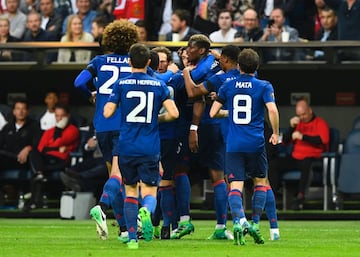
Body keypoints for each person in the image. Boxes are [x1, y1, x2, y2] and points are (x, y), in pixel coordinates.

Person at [103, 43, 179, 249]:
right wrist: (156, 118)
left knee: (129, 191)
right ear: (148, 62)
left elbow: (107, 113)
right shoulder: (158, 85)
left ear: (129, 62)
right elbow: (174, 114)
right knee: (150, 191)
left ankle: (133, 240)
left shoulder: (121, 84)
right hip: (150, 146)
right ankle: (146, 210)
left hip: (126, 145)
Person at [74, 19, 138, 241]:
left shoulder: (99, 61)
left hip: (102, 125)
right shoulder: (134, 62)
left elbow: (78, 83)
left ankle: (122, 229)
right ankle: (101, 206)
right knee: (121, 177)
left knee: (115, 175)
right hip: (125, 124)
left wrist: (91, 94)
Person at [209, 48, 280, 245]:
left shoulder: (228, 85)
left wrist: (229, 112)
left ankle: (240, 220)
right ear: (256, 67)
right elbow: (272, 110)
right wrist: (275, 133)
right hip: (256, 143)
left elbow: (214, 113)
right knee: (260, 182)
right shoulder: (264, 85)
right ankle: (255, 223)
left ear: (238, 66)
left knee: (236, 185)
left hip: (234, 144)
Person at [183, 44, 241, 240]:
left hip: (210, 126)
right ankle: (225, 225)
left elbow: (193, 93)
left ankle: (175, 223)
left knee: (176, 173)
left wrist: (185, 72)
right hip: (234, 131)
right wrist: (218, 56)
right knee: (225, 179)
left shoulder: (217, 78)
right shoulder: (250, 74)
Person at [268, 97, 330, 210]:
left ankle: (300, 196)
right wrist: (291, 128)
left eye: (304, 114)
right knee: (274, 164)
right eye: (299, 115)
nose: (302, 117)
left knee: (307, 163)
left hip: (313, 158)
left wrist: (303, 137)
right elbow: (284, 142)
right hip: (296, 157)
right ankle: (274, 196)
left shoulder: (320, 123)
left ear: (310, 111)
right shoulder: (298, 123)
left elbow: (323, 140)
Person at [23, 103, 80, 211]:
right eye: (57, 116)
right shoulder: (50, 131)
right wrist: (54, 148)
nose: (59, 119)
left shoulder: (73, 130)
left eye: (62, 116)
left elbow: (59, 142)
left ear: (67, 116)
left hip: (61, 161)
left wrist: (50, 147)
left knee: (36, 171)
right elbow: (41, 148)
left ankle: (33, 202)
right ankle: (38, 179)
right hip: (46, 160)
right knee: (34, 154)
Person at [0, 97, 41, 173]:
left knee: (34, 155)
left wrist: (28, 148)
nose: (20, 112)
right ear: (14, 111)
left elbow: (38, 143)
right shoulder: (7, 127)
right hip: (10, 158)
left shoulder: (34, 126)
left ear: (27, 111)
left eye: (23, 109)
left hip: (26, 160)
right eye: (18, 109)